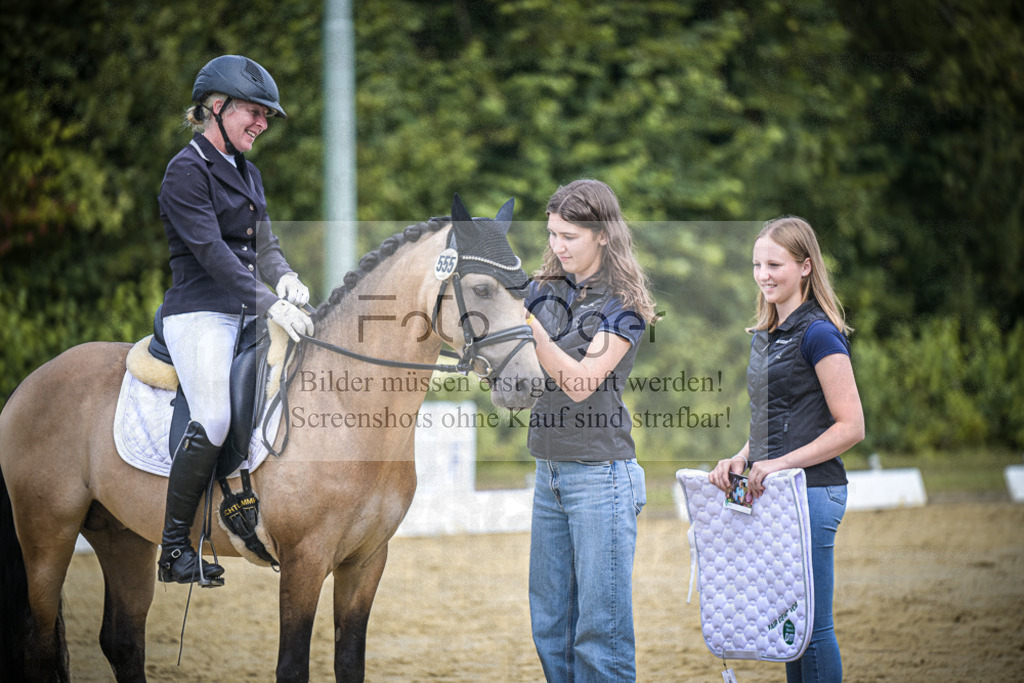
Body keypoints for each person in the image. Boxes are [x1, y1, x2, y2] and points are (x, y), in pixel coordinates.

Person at [156, 55, 314, 585]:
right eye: (255, 111)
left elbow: (263, 246)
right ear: (216, 108)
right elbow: (213, 256)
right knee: (216, 417)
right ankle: (175, 547)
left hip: (246, 311)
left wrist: (287, 277)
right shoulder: (185, 171)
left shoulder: (249, 171)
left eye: (267, 115)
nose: (263, 123)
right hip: (199, 313)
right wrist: (273, 304)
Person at [709, 216, 865, 682]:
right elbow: (772, 421)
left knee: (812, 628)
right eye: (757, 264)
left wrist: (776, 464)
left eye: (774, 263)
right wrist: (744, 457)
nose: (763, 274)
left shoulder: (819, 334)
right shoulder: (765, 335)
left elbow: (852, 426)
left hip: (812, 493)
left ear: (805, 266)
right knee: (787, 628)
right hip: (772, 493)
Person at [524, 179, 658, 681]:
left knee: (600, 638)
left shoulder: (624, 303)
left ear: (602, 234)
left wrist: (528, 329)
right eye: (552, 234)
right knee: (551, 630)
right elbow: (519, 370)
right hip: (549, 474)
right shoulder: (542, 289)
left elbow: (581, 382)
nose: (557, 247)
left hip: (602, 478)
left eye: (569, 237)